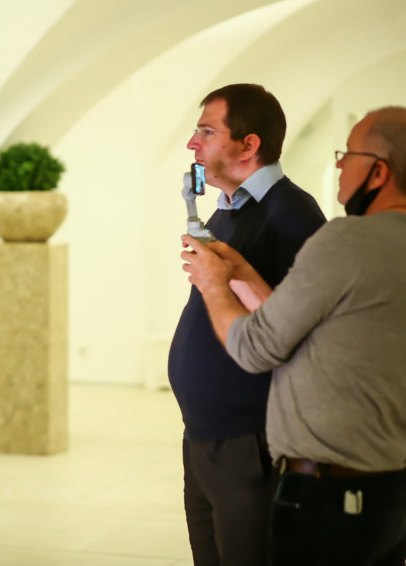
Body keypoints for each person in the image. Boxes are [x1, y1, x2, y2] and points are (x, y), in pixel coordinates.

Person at [181, 106, 406, 565]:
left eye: (349, 154)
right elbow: (316, 331)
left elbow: (257, 346)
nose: (339, 165)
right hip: (384, 481)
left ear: (379, 172)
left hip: (327, 485)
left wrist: (213, 284)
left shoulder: (344, 238)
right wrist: (241, 273)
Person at [167, 83, 327, 566]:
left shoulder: (291, 212)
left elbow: (303, 329)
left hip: (247, 440)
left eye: (206, 131)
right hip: (206, 436)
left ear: (248, 144)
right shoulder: (230, 211)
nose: (192, 143)